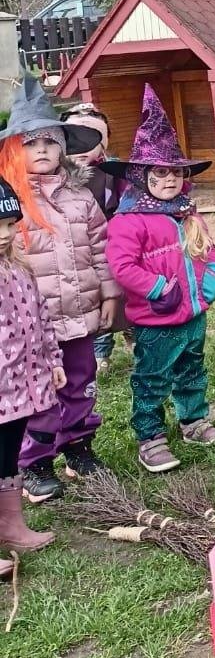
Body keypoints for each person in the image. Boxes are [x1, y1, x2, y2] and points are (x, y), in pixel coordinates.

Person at [0, 76, 116, 503]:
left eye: (51, 141)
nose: (43, 149)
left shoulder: (80, 197)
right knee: (39, 392)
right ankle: (34, 463)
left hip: (80, 314)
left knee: (81, 382)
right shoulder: (10, 203)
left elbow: (100, 248)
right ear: (14, 149)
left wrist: (110, 293)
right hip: (32, 325)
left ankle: (78, 447)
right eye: (31, 142)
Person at [102, 86, 215, 473]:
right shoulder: (129, 221)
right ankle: (150, 436)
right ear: (141, 176)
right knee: (152, 377)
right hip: (157, 319)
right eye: (160, 172)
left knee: (192, 369)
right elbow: (122, 266)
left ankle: (194, 421)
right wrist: (158, 289)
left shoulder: (187, 212)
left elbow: (208, 248)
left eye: (176, 172)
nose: (170, 179)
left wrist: (213, 275)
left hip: (193, 314)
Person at [0, 177, 66, 575]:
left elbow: (41, 317)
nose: (5, 234)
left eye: (9, 224)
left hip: (20, 385)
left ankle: (11, 526)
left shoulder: (18, 268)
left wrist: (53, 358)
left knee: (7, 453)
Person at [65, 104, 123, 373]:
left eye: (91, 138)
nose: (82, 147)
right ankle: (100, 351)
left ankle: (133, 335)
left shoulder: (115, 172)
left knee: (122, 295)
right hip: (77, 250)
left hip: (113, 245)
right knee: (92, 300)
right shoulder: (59, 176)